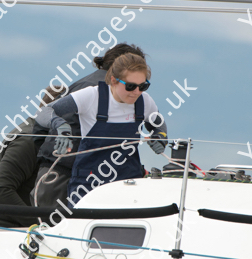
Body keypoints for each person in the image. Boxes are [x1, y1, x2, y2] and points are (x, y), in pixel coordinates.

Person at [42, 53, 167, 206]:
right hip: (88, 184)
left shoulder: (145, 101)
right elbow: (45, 111)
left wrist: (160, 137)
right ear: (113, 80)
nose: (137, 92)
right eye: (130, 86)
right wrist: (60, 125)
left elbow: (159, 124)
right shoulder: (91, 96)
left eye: (143, 86)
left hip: (129, 184)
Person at [0, 118, 48, 228]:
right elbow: (0, 189)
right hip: (4, 227)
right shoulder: (29, 140)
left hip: (18, 225)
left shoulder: (40, 133)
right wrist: (38, 225)